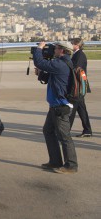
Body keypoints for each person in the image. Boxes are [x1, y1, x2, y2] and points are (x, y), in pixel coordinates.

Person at [33, 41, 78, 174]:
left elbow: (40, 62)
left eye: (56, 48)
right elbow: (49, 77)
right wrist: (40, 74)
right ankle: (55, 161)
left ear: (62, 50)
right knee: (48, 131)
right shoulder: (60, 63)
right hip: (54, 105)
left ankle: (71, 165)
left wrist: (39, 48)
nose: (53, 50)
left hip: (60, 106)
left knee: (64, 137)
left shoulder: (61, 64)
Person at [69, 38, 93, 137]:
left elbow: (76, 69)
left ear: (77, 45)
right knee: (81, 110)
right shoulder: (76, 54)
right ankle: (87, 130)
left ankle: (65, 131)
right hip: (79, 86)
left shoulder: (80, 55)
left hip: (77, 87)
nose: (70, 45)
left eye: (72, 44)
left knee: (71, 109)